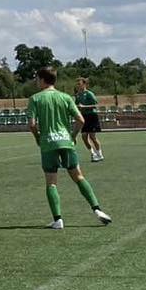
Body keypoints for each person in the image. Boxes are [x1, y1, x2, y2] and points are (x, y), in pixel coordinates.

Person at [27, 68, 111, 230]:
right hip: (66, 141)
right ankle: (97, 209)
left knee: (51, 183)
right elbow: (80, 120)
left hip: (48, 143)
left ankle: (58, 220)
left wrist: (38, 137)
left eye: (37, 79)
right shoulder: (65, 97)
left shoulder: (35, 98)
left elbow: (32, 124)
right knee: (78, 177)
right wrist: (72, 136)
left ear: (43, 79)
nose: (36, 82)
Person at [75, 78, 103, 162]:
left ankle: (99, 154)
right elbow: (76, 105)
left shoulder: (89, 93)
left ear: (84, 84)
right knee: (84, 136)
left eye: (79, 84)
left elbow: (95, 105)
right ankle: (93, 154)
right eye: (77, 84)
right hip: (84, 116)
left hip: (91, 116)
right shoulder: (78, 95)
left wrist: (84, 107)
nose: (78, 86)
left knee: (92, 136)